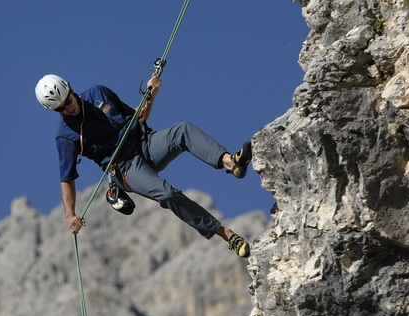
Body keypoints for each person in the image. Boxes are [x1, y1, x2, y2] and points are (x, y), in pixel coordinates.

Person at [35, 73, 253, 258]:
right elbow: (67, 179)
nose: (68, 108)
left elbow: (139, 116)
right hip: (125, 168)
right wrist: (70, 216)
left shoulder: (98, 93)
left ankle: (231, 163)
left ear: (71, 89)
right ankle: (227, 235)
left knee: (182, 130)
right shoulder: (66, 137)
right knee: (166, 194)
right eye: (60, 109)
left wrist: (153, 92)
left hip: (145, 143)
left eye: (68, 101)